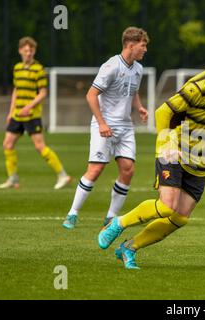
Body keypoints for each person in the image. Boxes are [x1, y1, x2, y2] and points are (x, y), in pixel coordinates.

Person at [98, 31, 205, 269]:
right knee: (167, 205)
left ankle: (129, 248)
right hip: (174, 151)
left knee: (180, 217)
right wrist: (168, 144)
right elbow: (163, 113)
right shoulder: (198, 85)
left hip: (200, 160)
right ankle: (118, 223)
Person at [62, 27, 149, 229]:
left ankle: (111, 217)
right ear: (130, 45)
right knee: (96, 169)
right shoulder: (110, 66)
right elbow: (91, 95)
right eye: (143, 46)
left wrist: (140, 107)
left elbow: (133, 91)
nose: (145, 50)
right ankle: (72, 213)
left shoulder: (138, 69)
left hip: (126, 126)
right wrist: (101, 123)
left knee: (128, 170)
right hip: (105, 124)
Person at [0, 37, 71, 190]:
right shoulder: (17, 68)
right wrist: (11, 111)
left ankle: (63, 175)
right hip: (17, 114)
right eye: (25, 50)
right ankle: (12, 178)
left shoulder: (39, 69)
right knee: (7, 144)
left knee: (40, 146)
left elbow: (43, 93)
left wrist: (28, 107)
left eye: (31, 50)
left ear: (34, 51)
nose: (28, 53)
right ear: (20, 51)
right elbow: (16, 90)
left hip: (32, 115)